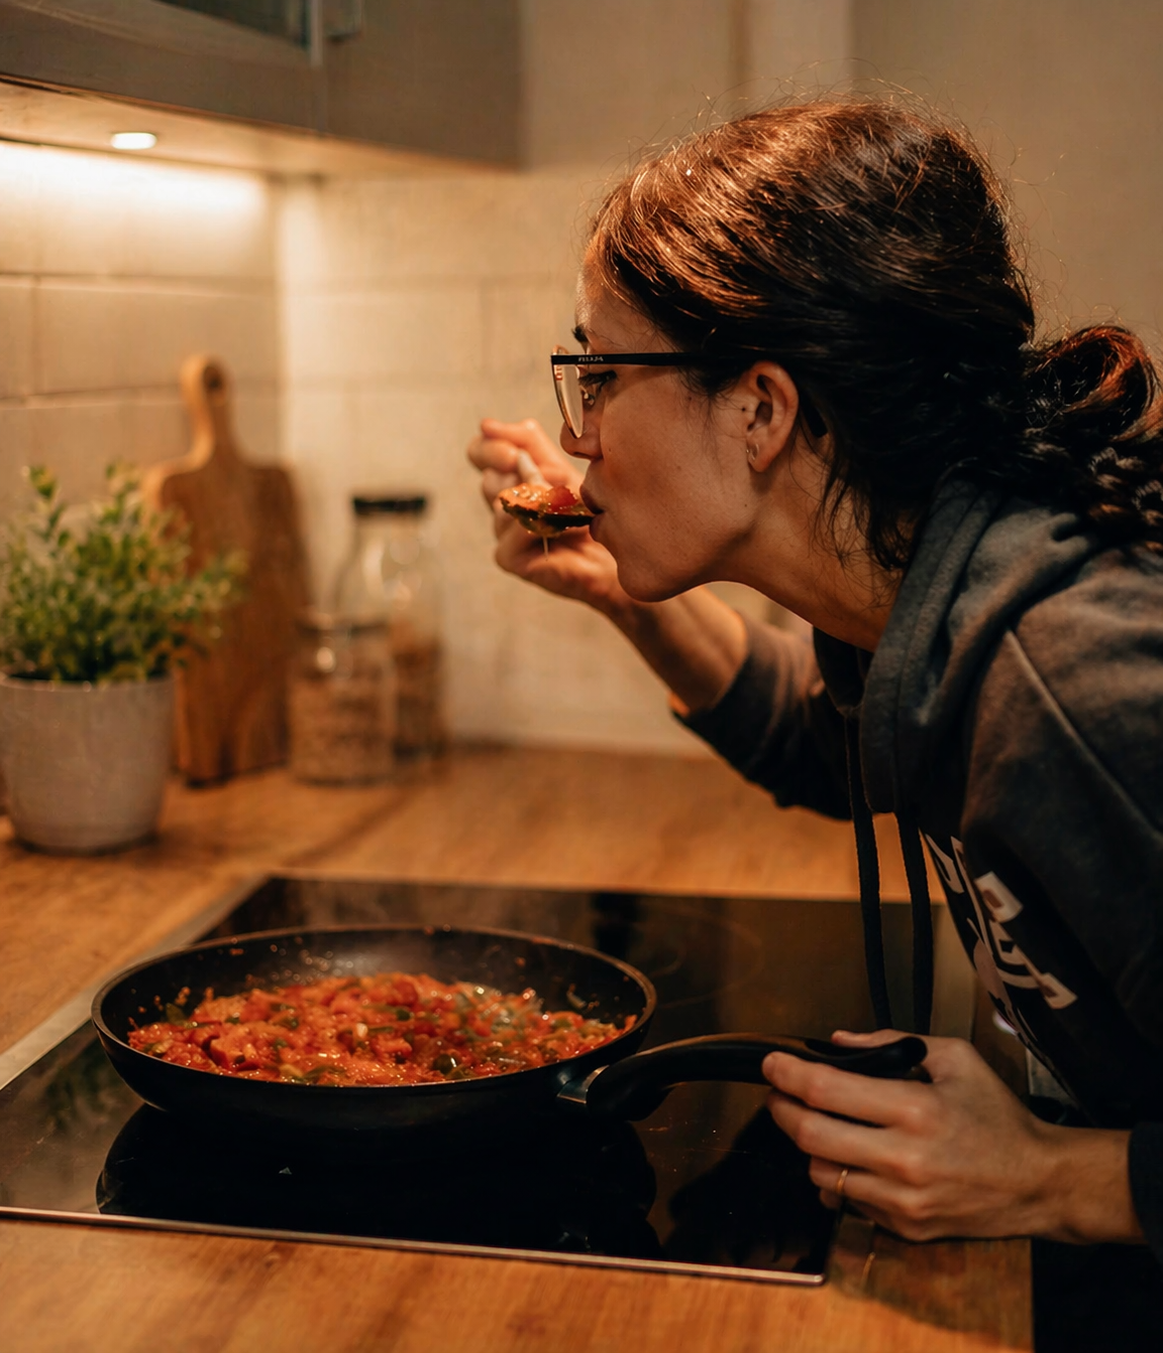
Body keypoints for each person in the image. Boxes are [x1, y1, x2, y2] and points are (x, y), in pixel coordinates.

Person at [466, 100, 1163, 1283]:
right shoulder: (930, 597)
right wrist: (625, 594)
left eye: (599, 372)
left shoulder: (1071, 691)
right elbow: (824, 739)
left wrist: (1051, 1175)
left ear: (757, 409)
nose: (580, 439)